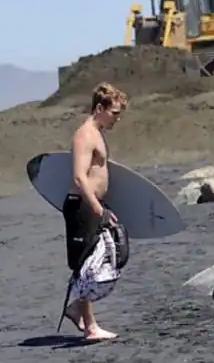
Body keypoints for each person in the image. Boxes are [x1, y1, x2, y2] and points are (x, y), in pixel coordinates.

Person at [60, 81, 128, 341]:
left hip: (92, 206)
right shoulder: (85, 135)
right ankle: (89, 324)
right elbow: (79, 178)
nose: (117, 119)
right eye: (114, 113)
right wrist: (99, 209)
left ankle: (78, 309)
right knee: (88, 264)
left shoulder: (97, 133)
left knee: (107, 256)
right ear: (100, 107)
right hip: (83, 207)